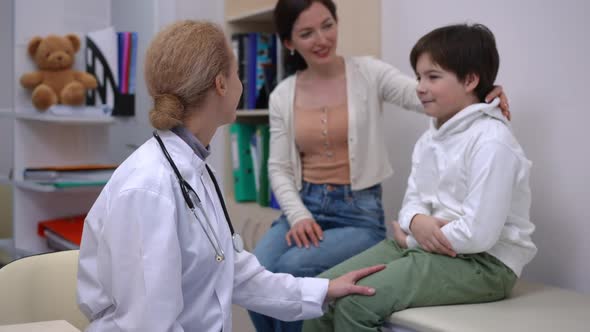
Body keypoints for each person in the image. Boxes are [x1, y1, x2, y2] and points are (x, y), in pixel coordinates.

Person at [76, 20, 387, 332]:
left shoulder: (195, 169)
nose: (243, 82)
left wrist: (323, 290)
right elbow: (149, 325)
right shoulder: (148, 188)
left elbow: (231, 271)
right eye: (238, 73)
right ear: (221, 85)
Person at [249, 1, 510, 331]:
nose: (321, 38)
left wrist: (482, 92)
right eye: (306, 32)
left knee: (292, 269)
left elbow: (428, 95)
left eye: (327, 25)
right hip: (303, 210)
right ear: (289, 43)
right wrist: (299, 215)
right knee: (256, 273)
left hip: (357, 212)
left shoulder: (368, 73)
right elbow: (279, 167)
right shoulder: (281, 95)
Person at [302, 23, 538, 332]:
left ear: (470, 80)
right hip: (427, 245)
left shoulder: (492, 141)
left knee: (356, 302)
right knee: (320, 293)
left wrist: (412, 236)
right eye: (418, 77)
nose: (419, 87)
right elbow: (411, 201)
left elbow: (478, 234)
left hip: (485, 263)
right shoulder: (431, 138)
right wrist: (415, 221)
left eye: (432, 77)